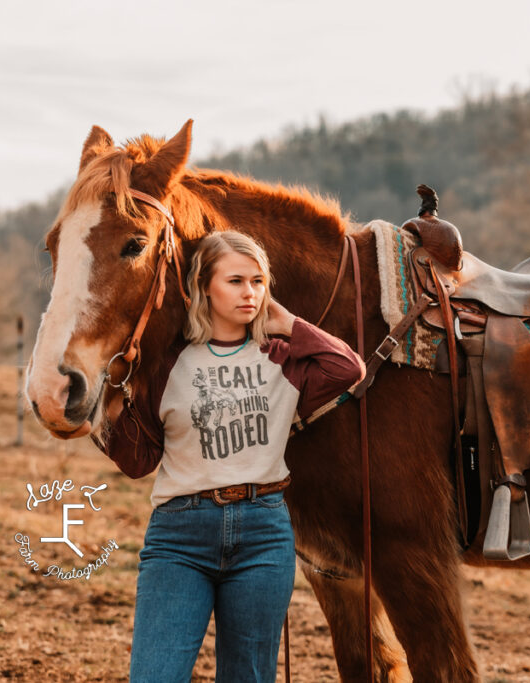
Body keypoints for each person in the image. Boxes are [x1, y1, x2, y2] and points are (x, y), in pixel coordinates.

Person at [97, 231, 365, 682]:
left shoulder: (283, 359)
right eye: (236, 280)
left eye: (258, 282)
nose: (250, 293)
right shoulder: (167, 364)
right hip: (179, 537)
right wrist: (103, 416)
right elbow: (138, 461)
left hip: (264, 534)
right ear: (204, 286)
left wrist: (289, 324)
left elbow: (348, 369)